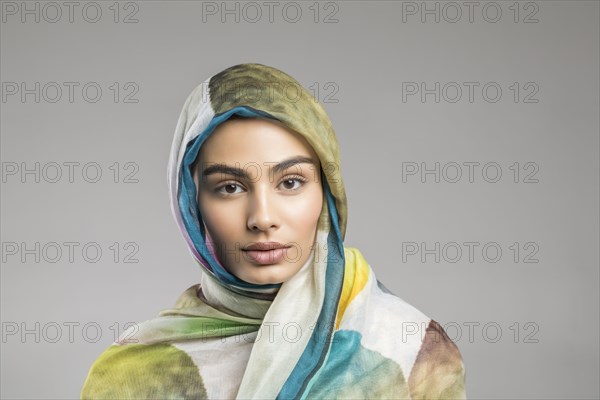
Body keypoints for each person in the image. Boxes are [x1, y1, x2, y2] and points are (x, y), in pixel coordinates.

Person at [80, 63, 467, 399]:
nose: (262, 218)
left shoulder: (414, 349)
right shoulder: (128, 377)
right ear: (189, 202)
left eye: (291, 182)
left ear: (327, 193)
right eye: (230, 187)